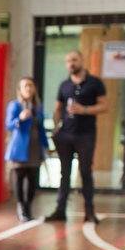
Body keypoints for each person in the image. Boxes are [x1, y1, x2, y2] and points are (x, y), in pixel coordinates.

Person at [44, 51, 107, 225]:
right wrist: (56, 128)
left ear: (82, 61)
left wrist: (85, 110)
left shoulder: (94, 83)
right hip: (65, 135)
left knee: (86, 173)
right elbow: (58, 108)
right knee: (65, 173)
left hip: (85, 135)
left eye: (74, 60)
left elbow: (104, 106)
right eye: (67, 60)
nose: (71, 63)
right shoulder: (64, 85)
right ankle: (60, 210)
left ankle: (89, 211)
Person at [4, 77, 46, 221]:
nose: (28, 88)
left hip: (34, 148)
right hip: (19, 148)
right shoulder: (15, 105)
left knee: (32, 179)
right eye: (25, 86)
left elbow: (42, 129)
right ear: (20, 89)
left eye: (30, 85)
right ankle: (20, 208)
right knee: (20, 178)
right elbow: (8, 125)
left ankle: (29, 209)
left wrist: (45, 146)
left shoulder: (38, 107)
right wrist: (20, 119)